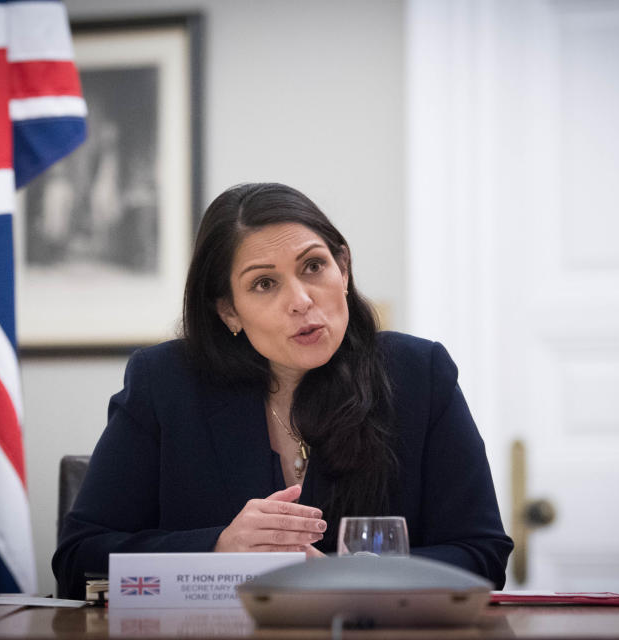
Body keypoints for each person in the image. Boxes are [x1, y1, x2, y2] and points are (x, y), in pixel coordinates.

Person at [53, 183, 513, 599]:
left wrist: (348, 574)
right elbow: (79, 560)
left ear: (344, 267)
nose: (300, 300)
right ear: (229, 311)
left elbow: (482, 556)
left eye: (313, 266)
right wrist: (218, 549)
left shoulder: (419, 374)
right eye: (264, 283)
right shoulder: (165, 382)